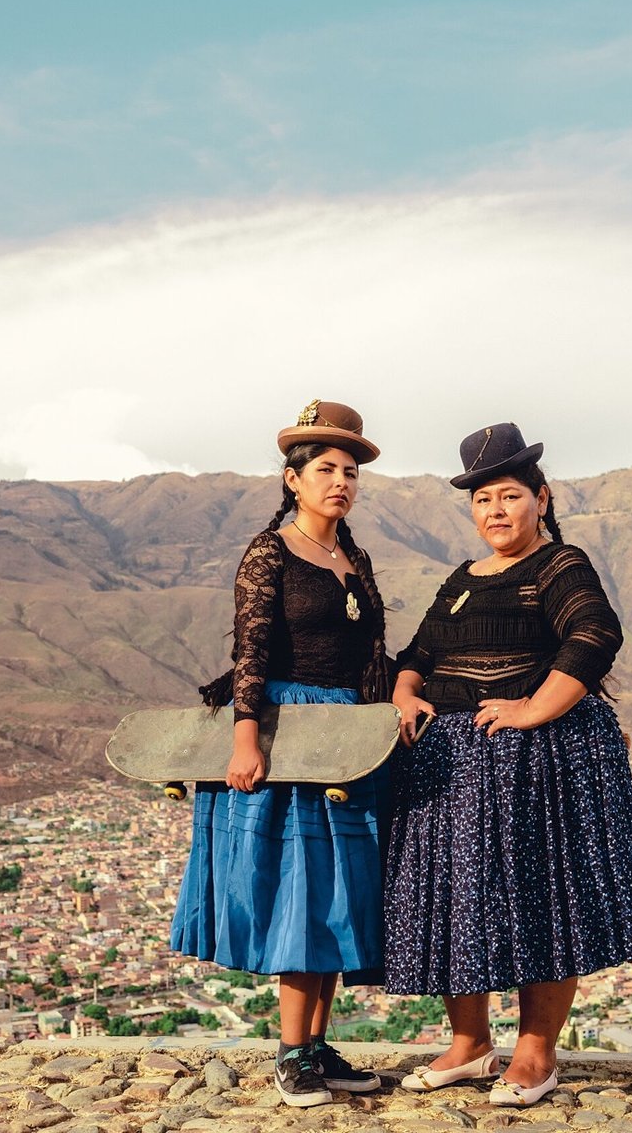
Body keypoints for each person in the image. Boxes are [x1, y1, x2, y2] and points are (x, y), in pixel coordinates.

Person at [385, 422, 632, 1108]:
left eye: (509, 497)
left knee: (544, 903)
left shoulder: (559, 566)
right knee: (462, 901)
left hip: (535, 770)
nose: (496, 512)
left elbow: (596, 633)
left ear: (542, 498)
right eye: (483, 501)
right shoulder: (461, 579)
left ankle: (537, 1052)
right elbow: (416, 657)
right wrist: (403, 694)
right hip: (449, 768)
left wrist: (534, 709)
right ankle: (471, 1045)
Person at [169, 399, 393, 1108]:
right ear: (292, 479)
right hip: (285, 736)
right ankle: (291, 1053)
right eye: (325, 469)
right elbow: (251, 651)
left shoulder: (350, 557)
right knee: (301, 890)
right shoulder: (270, 553)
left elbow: (369, 656)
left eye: (350, 471)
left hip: (343, 740)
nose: (341, 482)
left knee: (334, 895)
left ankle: (319, 1046)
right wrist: (245, 739)